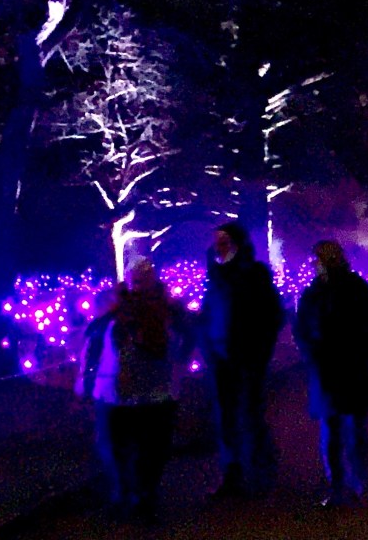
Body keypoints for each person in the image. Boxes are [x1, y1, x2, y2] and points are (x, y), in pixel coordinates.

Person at [293, 240, 368, 508]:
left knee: (346, 429)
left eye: (318, 260)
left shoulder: (344, 289)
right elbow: (302, 328)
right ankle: (344, 484)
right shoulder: (320, 291)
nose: (315, 265)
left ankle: (350, 484)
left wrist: (361, 353)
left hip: (344, 367)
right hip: (334, 368)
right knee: (340, 429)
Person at [202, 220, 286, 499]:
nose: (219, 246)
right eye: (217, 242)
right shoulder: (216, 275)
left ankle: (261, 472)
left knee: (251, 413)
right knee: (226, 417)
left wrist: (259, 351)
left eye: (225, 241)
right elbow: (209, 313)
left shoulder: (254, 273)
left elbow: (272, 314)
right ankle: (233, 474)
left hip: (247, 356)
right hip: (221, 356)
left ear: (237, 243)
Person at [101, 257, 188, 522]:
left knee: (152, 447)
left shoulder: (167, 308)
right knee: (123, 447)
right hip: (122, 392)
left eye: (144, 277)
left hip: (156, 390)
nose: (139, 284)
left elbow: (183, 338)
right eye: (136, 278)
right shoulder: (117, 308)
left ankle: (143, 495)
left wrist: (178, 363)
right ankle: (130, 494)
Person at [75, 286, 121, 505]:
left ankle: (118, 490)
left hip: (107, 392)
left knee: (107, 441)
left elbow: (92, 359)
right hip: (119, 391)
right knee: (117, 441)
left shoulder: (102, 328)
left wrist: (84, 384)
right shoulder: (116, 325)